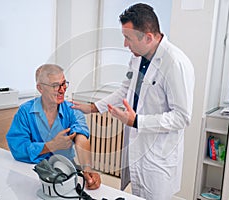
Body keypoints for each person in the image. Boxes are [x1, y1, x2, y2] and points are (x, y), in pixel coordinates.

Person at [72, 3, 194, 199]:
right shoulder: (138, 57)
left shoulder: (175, 63)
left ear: (148, 37)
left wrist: (137, 121)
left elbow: (182, 117)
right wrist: (93, 107)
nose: (125, 45)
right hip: (137, 148)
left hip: (158, 156)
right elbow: (125, 90)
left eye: (128, 38)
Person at [6, 64, 101, 190]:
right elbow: (18, 149)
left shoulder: (72, 110)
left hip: (65, 170)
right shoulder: (25, 111)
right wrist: (51, 146)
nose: (62, 90)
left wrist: (88, 169)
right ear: (40, 88)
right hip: (32, 170)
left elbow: (81, 137)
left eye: (63, 84)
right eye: (55, 86)